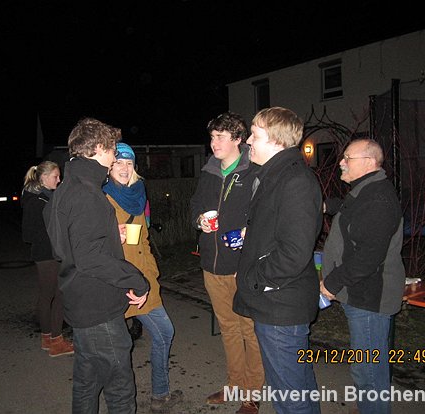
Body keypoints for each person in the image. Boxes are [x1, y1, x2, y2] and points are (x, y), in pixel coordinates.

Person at [45, 117, 150, 414]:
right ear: (99, 148)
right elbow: (89, 257)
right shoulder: (86, 193)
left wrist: (106, 234)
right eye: (113, 149)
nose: (115, 156)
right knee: (120, 389)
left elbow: (65, 237)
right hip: (97, 306)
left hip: (80, 300)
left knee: (86, 383)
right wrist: (136, 279)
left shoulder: (69, 186)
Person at [233, 107, 323, 414]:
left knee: (290, 398)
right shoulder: (275, 175)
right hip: (277, 302)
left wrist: (254, 278)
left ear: (276, 141)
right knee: (297, 388)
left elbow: (294, 253)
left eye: (254, 135)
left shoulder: (294, 180)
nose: (247, 141)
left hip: (280, 306)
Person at [320, 139, 405, 414]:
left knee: (368, 370)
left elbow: (368, 257)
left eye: (348, 158)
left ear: (369, 162)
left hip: (369, 298)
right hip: (360, 293)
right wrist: (323, 205)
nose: (341, 162)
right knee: (367, 366)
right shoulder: (365, 191)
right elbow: (350, 211)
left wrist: (332, 283)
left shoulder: (378, 198)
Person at [190, 111, 264, 414]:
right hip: (212, 264)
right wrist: (199, 221)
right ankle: (234, 384)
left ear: (238, 139)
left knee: (250, 330)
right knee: (229, 328)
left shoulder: (254, 171)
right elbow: (196, 204)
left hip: (243, 267)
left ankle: (252, 394)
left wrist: (249, 232)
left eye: (220, 136)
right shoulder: (209, 171)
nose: (214, 143)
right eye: (212, 137)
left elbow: (266, 214)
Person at [103, 142, 183, 413]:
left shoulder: (139, 195)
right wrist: (112, 237)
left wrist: (150, 275)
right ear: (109, 166)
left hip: (143, 280)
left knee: (164, 333)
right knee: (116, 347)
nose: (125, 168)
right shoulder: (101, 199)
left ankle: (160, 394)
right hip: (116, 282)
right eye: (119, 163)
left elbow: (144, 240)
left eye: (129, 163)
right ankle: (119, 403)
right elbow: (89, 245)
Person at [21, 160, 74, 357]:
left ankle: (48, 338)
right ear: (43, 177)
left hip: (50, 252)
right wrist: (54, 236)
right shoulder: (37, 201)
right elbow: (28, 234)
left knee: (49, 294)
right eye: (55, 177)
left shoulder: (44, 197)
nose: (59, 180)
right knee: (57, 295)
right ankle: (56, 341)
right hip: (47, 254)